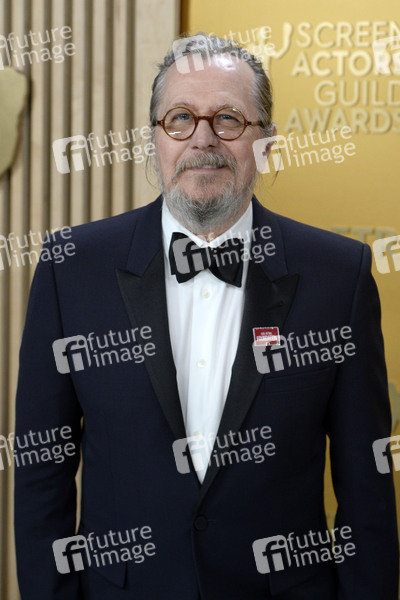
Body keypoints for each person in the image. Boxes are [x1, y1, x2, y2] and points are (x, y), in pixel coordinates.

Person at [14, 34, 398, 600]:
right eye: (180, 119)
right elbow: (40, 478)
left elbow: (367, 492)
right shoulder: (70, 267)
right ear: (153, 139)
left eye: (228, 119)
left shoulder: (340, 276)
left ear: (266, 141)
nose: (203, 139)